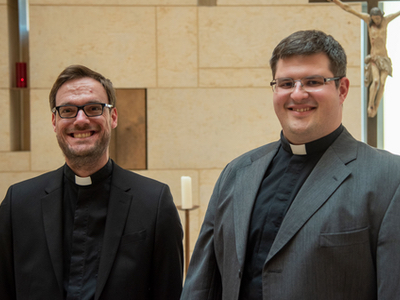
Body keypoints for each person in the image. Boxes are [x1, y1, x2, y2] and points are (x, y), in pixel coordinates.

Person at [181, 30, 400, 300]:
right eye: (286, 83)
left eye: (312, 81)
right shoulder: (237, 173)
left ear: (341, 89)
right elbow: (201, 286)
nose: (297, 95)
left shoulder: (390, 178)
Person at [0, 65, 184, 300]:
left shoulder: (154, 203)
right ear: (54, 121)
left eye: (93, 108)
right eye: (67, 110)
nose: (80, 120)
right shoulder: (18, 204)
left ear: (113, 117)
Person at [328, 0, 400, 118]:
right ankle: (371, 104)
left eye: (378, 19)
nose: (377, 21)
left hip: (384, 58)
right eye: (375, 19)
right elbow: (349, 8)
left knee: (382, 84)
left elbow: (398, 13)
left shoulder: (386, 21)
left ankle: (376, 107)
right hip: (374, 58)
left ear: (382, 17)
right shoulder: (368, 21)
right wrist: (336, 1)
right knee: (375, 81)